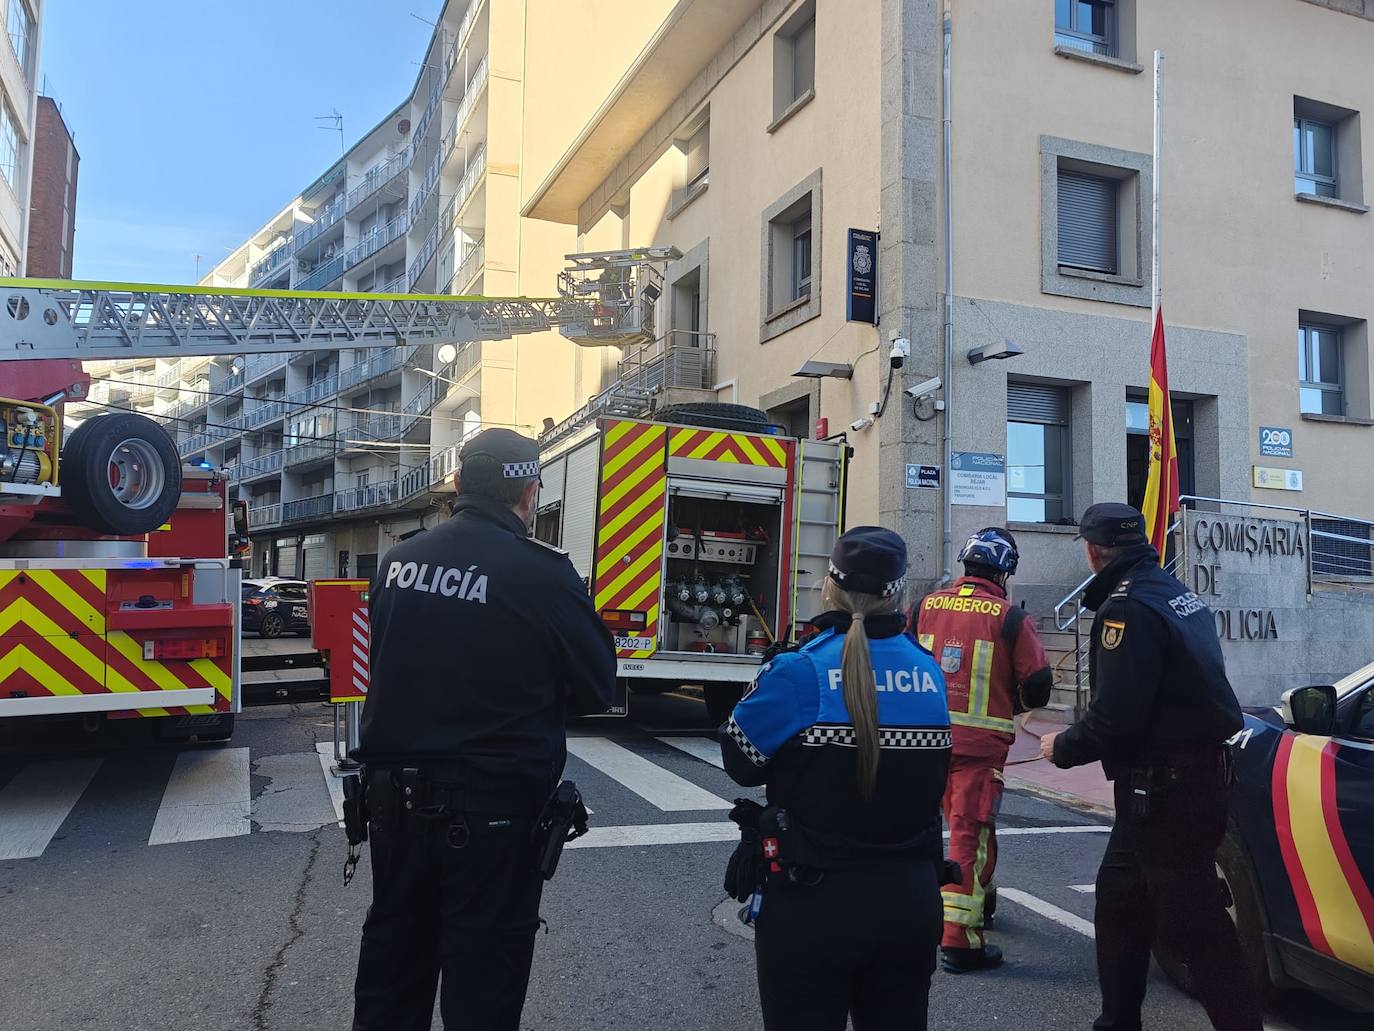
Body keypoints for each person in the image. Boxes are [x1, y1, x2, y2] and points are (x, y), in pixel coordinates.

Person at [351, 428, 616, 1031]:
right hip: (493, 819)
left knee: (393, 973)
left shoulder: (399, 561)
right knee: (484, 986)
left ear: (458, 484)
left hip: (395, 810)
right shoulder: (541, 573)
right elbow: (599, 686)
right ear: (527, 491)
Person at [1040, 503, 1261, 1031]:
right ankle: (1117, 1021)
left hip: (1166, 791)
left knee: (1196, 926)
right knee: (1120, 902)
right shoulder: (1173, 592)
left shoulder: (1127, 608)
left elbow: (1115, 719)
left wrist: (1062, 746)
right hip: (1178, 782)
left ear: (1092, 551)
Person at [721, 527, 952, 1031]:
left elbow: (740, 761)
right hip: (910, 898)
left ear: (829, 586)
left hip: (813, 900)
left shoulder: (798, 671)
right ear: (899, 595)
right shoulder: (930, 674)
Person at [912, 527, 1053, 973]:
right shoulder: (1010, 618)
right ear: (1004, 572)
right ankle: (959, 941)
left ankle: (970, 902)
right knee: (968, 836)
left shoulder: (924, 606)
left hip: (924, 744)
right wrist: (1014, 700)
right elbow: (1039, 685)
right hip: (978, 749)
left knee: (917, 831)